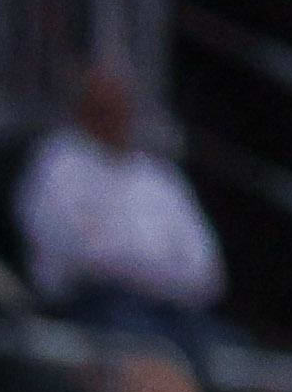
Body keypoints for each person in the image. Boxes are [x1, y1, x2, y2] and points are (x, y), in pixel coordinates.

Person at [20, 61, 224, 328]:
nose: (115, 117)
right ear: (82, 109)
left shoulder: (158, 176)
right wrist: (159, 271)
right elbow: (85, 258)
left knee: (231, 348)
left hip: (174, 311)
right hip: (92, 309)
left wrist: (146, 273)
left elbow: (207, 271)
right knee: (140, 337)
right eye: (102, 109)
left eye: (121, 107)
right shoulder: (58, 164)